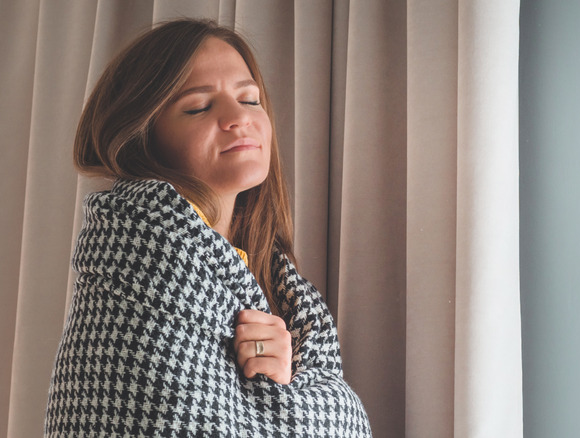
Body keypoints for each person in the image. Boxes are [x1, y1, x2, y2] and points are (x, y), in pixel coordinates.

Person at [45, 19, 371, 437]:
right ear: (142, 137)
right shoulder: (142, 273)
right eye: (199, 107)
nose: (239, 117)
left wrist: (279, 380)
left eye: (250, 99)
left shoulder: (271, 280)